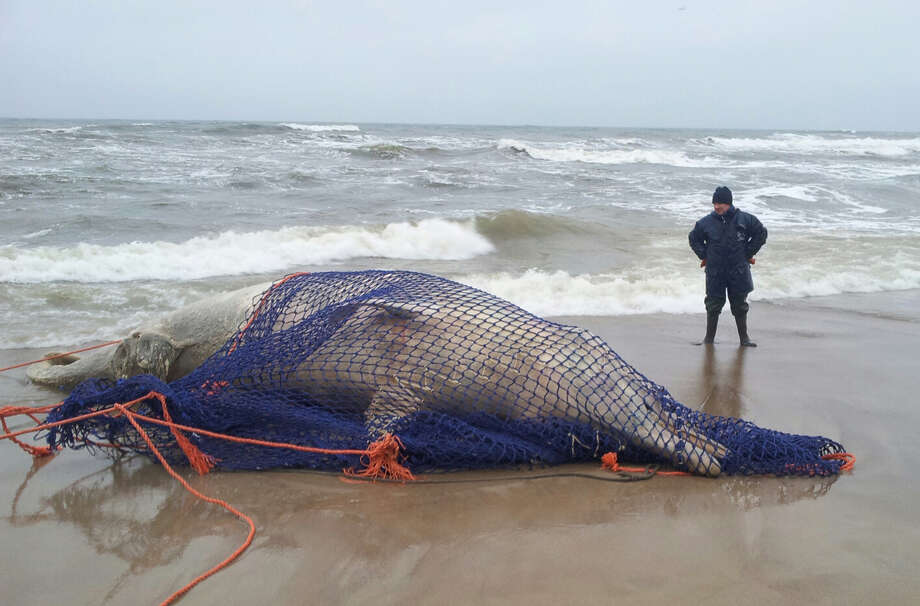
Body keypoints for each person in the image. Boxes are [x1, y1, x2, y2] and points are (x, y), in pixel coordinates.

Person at [688, 186, 767, 346]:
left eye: (720, 203)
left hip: (738, 270)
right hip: (715, 271)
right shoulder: (706, 223)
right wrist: (704, 255)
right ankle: (708, 339)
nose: (717, 206)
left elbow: (761, 233)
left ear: (729, 203)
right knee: (713, 305)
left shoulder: (745, 219)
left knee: (740, 305)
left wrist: (748, 253)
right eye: (715, 203)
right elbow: (693, 238)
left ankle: (744, 339)